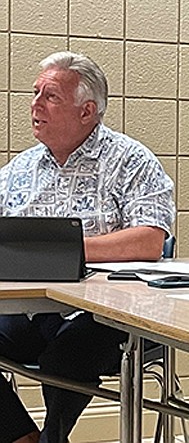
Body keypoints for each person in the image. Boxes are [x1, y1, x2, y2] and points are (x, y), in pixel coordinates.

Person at [0, 52, 175, 442]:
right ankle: (20, 437)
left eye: (51, 97)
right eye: (35, 94)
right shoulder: (19, 170)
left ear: (87, 110)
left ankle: (52, 438)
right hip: (30, 309)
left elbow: (150, 239)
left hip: (109, 317)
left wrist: (68, 250)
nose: (35, 105)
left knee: (65, 357)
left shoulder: (131, 161)